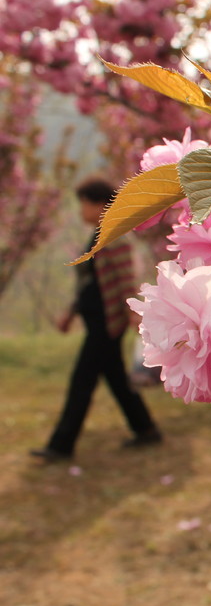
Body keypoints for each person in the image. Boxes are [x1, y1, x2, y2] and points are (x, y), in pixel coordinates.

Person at [31, 177, 163, 462]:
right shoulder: (98, 235)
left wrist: (132, 315)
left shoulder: (115, 235)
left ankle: (61, 445)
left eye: (84, 204)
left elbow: (124, 278)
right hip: (98, 322)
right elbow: (90, 282)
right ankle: (145, 429)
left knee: (82, 382)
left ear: (100, 204)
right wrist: (71, 312)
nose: (81, 212)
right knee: (116, 379)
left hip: (106, 325)